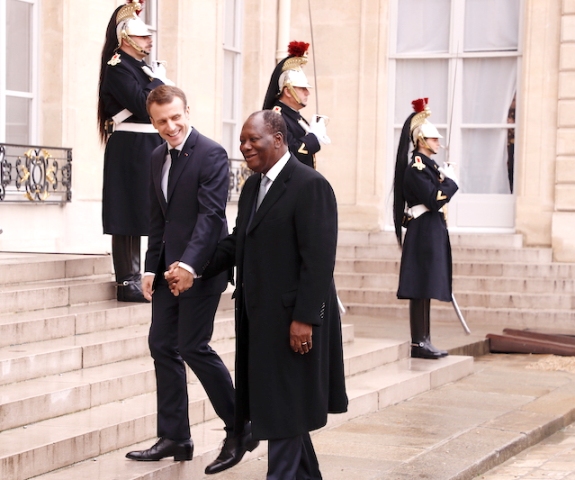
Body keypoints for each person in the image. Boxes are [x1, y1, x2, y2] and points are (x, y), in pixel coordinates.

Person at [197, 110, 348, 479]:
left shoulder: (310, 185)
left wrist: (305, 319)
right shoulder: (253, 186)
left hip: (295, 323)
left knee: (284, 412)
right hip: (261, 321)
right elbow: (239, 241)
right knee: (285, 407)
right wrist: (193, 265)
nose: (245, 146)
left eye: (253, 140)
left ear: (278, 140)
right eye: (242, 141)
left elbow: (319, 261)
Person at [124, 85, 258, 474]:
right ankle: (176, 437)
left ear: (187, 111)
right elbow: (157, 219)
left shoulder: (211, 153)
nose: (170, 126)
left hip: (202, 268)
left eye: (176, 117)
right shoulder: (155, 157)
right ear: (152, 121)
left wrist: (189, 267)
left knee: (193, 345)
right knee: (162, 344)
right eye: (162, 120)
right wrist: (150, 268)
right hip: (166, 270)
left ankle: (240, 426)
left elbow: (211, 217)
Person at [98, 0, 173, 302]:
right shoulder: (117, 68)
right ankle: (126, 280)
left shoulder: (141, 67)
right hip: (130, 146)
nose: (149, 40)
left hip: (149, 144)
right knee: (127, 210)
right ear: (126, 39)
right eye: (142, 37)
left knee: (151, 209)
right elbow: (144, 108)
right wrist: (157, 81)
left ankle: (145, 274)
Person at [393, 98, 459, 359]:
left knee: (426, 286)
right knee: (419, 287)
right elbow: (433, 199)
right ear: (421, 141)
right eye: (433, 140)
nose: (438, 143)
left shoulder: (429, 167)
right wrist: (451, 183)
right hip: (422, 230)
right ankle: (418, 342)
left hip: (430, 230)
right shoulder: (417, 168)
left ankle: (425, 339)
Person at [262, 41, 330, 169]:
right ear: (287, 91)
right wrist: (313, 138)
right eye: (302, 88)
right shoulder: (276, 118)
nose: (307, 93)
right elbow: (292, 152)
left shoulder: (294, 117)